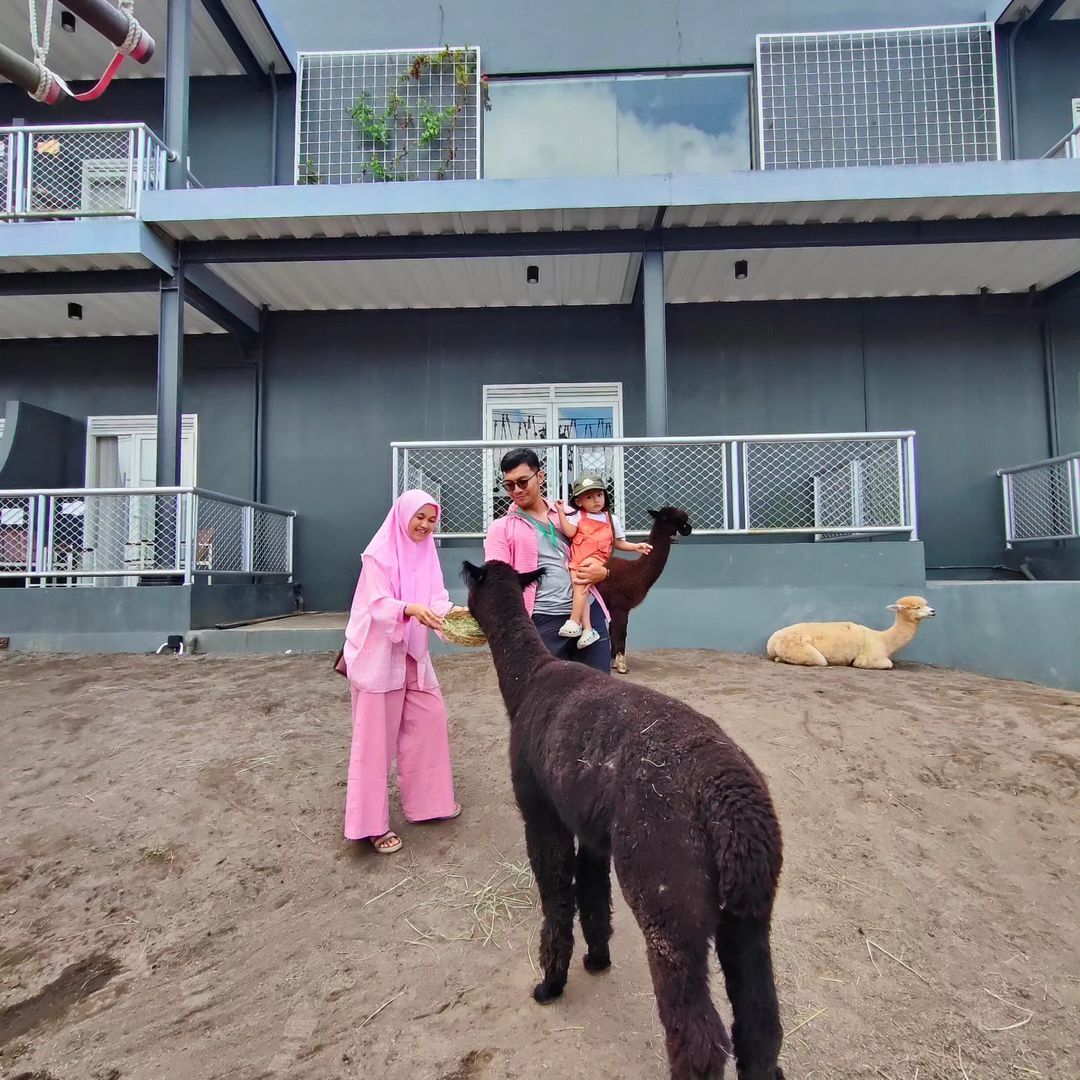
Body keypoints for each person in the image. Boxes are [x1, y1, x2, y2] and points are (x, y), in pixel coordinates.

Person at [340, 490, 462, 855]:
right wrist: (409, 609)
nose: (425, 525)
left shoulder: (427, 552)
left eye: (431, 519)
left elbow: (437, 597)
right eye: (419, 517)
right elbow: (377, 604)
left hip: (413, 653)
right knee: (375, 740)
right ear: (402, 515)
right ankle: (370, 826)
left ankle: (429, 804)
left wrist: (458, 617)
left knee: (430, 719)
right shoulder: (378, 554)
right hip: (380, 655)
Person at [484, 448, 612, 673]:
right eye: (509, 485)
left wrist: (604, 572)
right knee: (547, 698)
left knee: (601, 693)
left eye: (523, 482)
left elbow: (601, 549)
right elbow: (498, 582)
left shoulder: (572, 514)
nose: (516, 490)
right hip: (541, 620)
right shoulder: (501, 528)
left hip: (588, 613)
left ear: (540, 477)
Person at [555, 474, 652, 649]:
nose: (596, 500)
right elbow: (569, 532)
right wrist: (561, 513)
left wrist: (636, 547)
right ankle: (587, 629)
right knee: (582, 593)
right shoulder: (578, 516)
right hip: (577, 559)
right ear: (579, 502)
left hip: (596, 559)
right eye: (589, 497)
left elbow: (619, 542)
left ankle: (573, 621)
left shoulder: (611, 519)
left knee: (580, 585)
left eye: (599, 495)